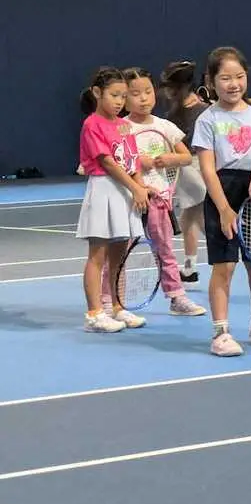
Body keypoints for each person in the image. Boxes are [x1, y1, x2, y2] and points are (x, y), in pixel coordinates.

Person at [192, 47, 251, 357]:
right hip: (223, 193)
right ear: (211, 81)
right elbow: (207, 169)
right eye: (225, 78)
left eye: (239, 77)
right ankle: (221, 332)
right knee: (224, 266)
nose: (234, 84)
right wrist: (224, 209)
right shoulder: (208, 119)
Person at [100, 68, 206, 317]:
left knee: (165, 251)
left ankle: (177, 297)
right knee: (117, 253)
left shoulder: (165, 126)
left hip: (158, 200)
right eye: (135, 93)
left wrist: (167, 159)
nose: (143, 98)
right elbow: (114, 162)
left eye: (148, 91)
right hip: (128, 200)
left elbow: (185, 157)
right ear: (124, 97)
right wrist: (139, 162)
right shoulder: (121, 127)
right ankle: (109, 301)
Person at [75, 67, 152, 334]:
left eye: (123, 96)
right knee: (97, 256)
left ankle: (117, 307)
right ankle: (94, 314)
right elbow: (108, 163)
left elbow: (132, 160)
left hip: (125, 192)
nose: (120, 101)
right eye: (114, 95)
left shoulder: (123, 125)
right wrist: (135, 187)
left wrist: (140, 186)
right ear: (97, 93)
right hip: (104, 189)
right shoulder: (92, 124)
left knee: (119, 255)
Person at [160, 61, 210, 282]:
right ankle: (190, 268)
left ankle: (230, 244)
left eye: (170, 86)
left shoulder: (203, 112)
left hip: (199, 167)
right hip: (184, 169)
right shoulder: (173, 113)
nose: (166, 91)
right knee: (191, 216)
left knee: (195, 216)